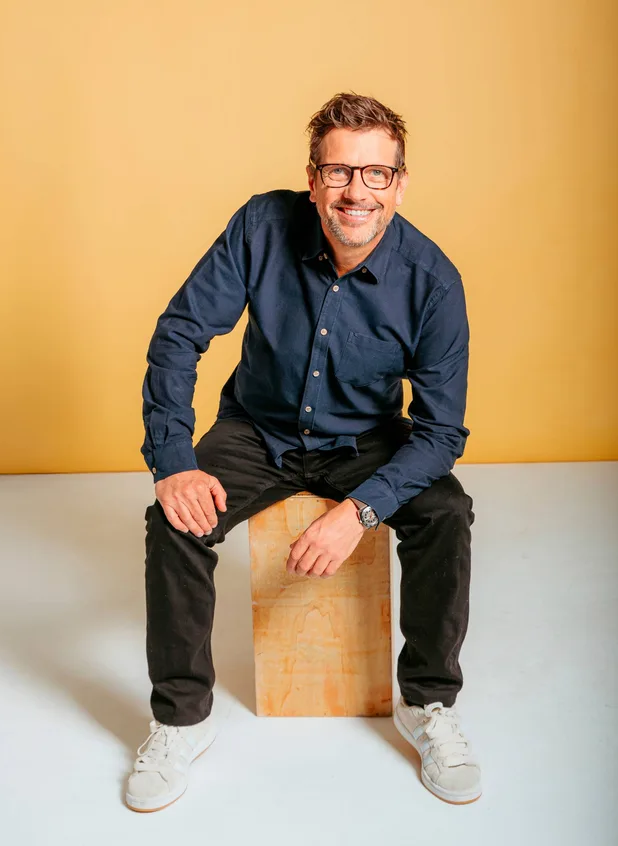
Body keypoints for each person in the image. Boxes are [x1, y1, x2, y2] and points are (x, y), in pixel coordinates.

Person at [125, 92, 482, 813]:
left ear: (400, 183)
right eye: (339, 172)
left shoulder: (434, 282)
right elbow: (179, 335)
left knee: (446, 511)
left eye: (375, 174)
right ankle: (180, 717)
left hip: (368, 441)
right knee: (174, 521)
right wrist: (174, 458)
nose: (356, 191)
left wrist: (361, 510)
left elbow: (441, 432)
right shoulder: (262, 224)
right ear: (314, 177)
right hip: (257, 430)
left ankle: (429, 704)